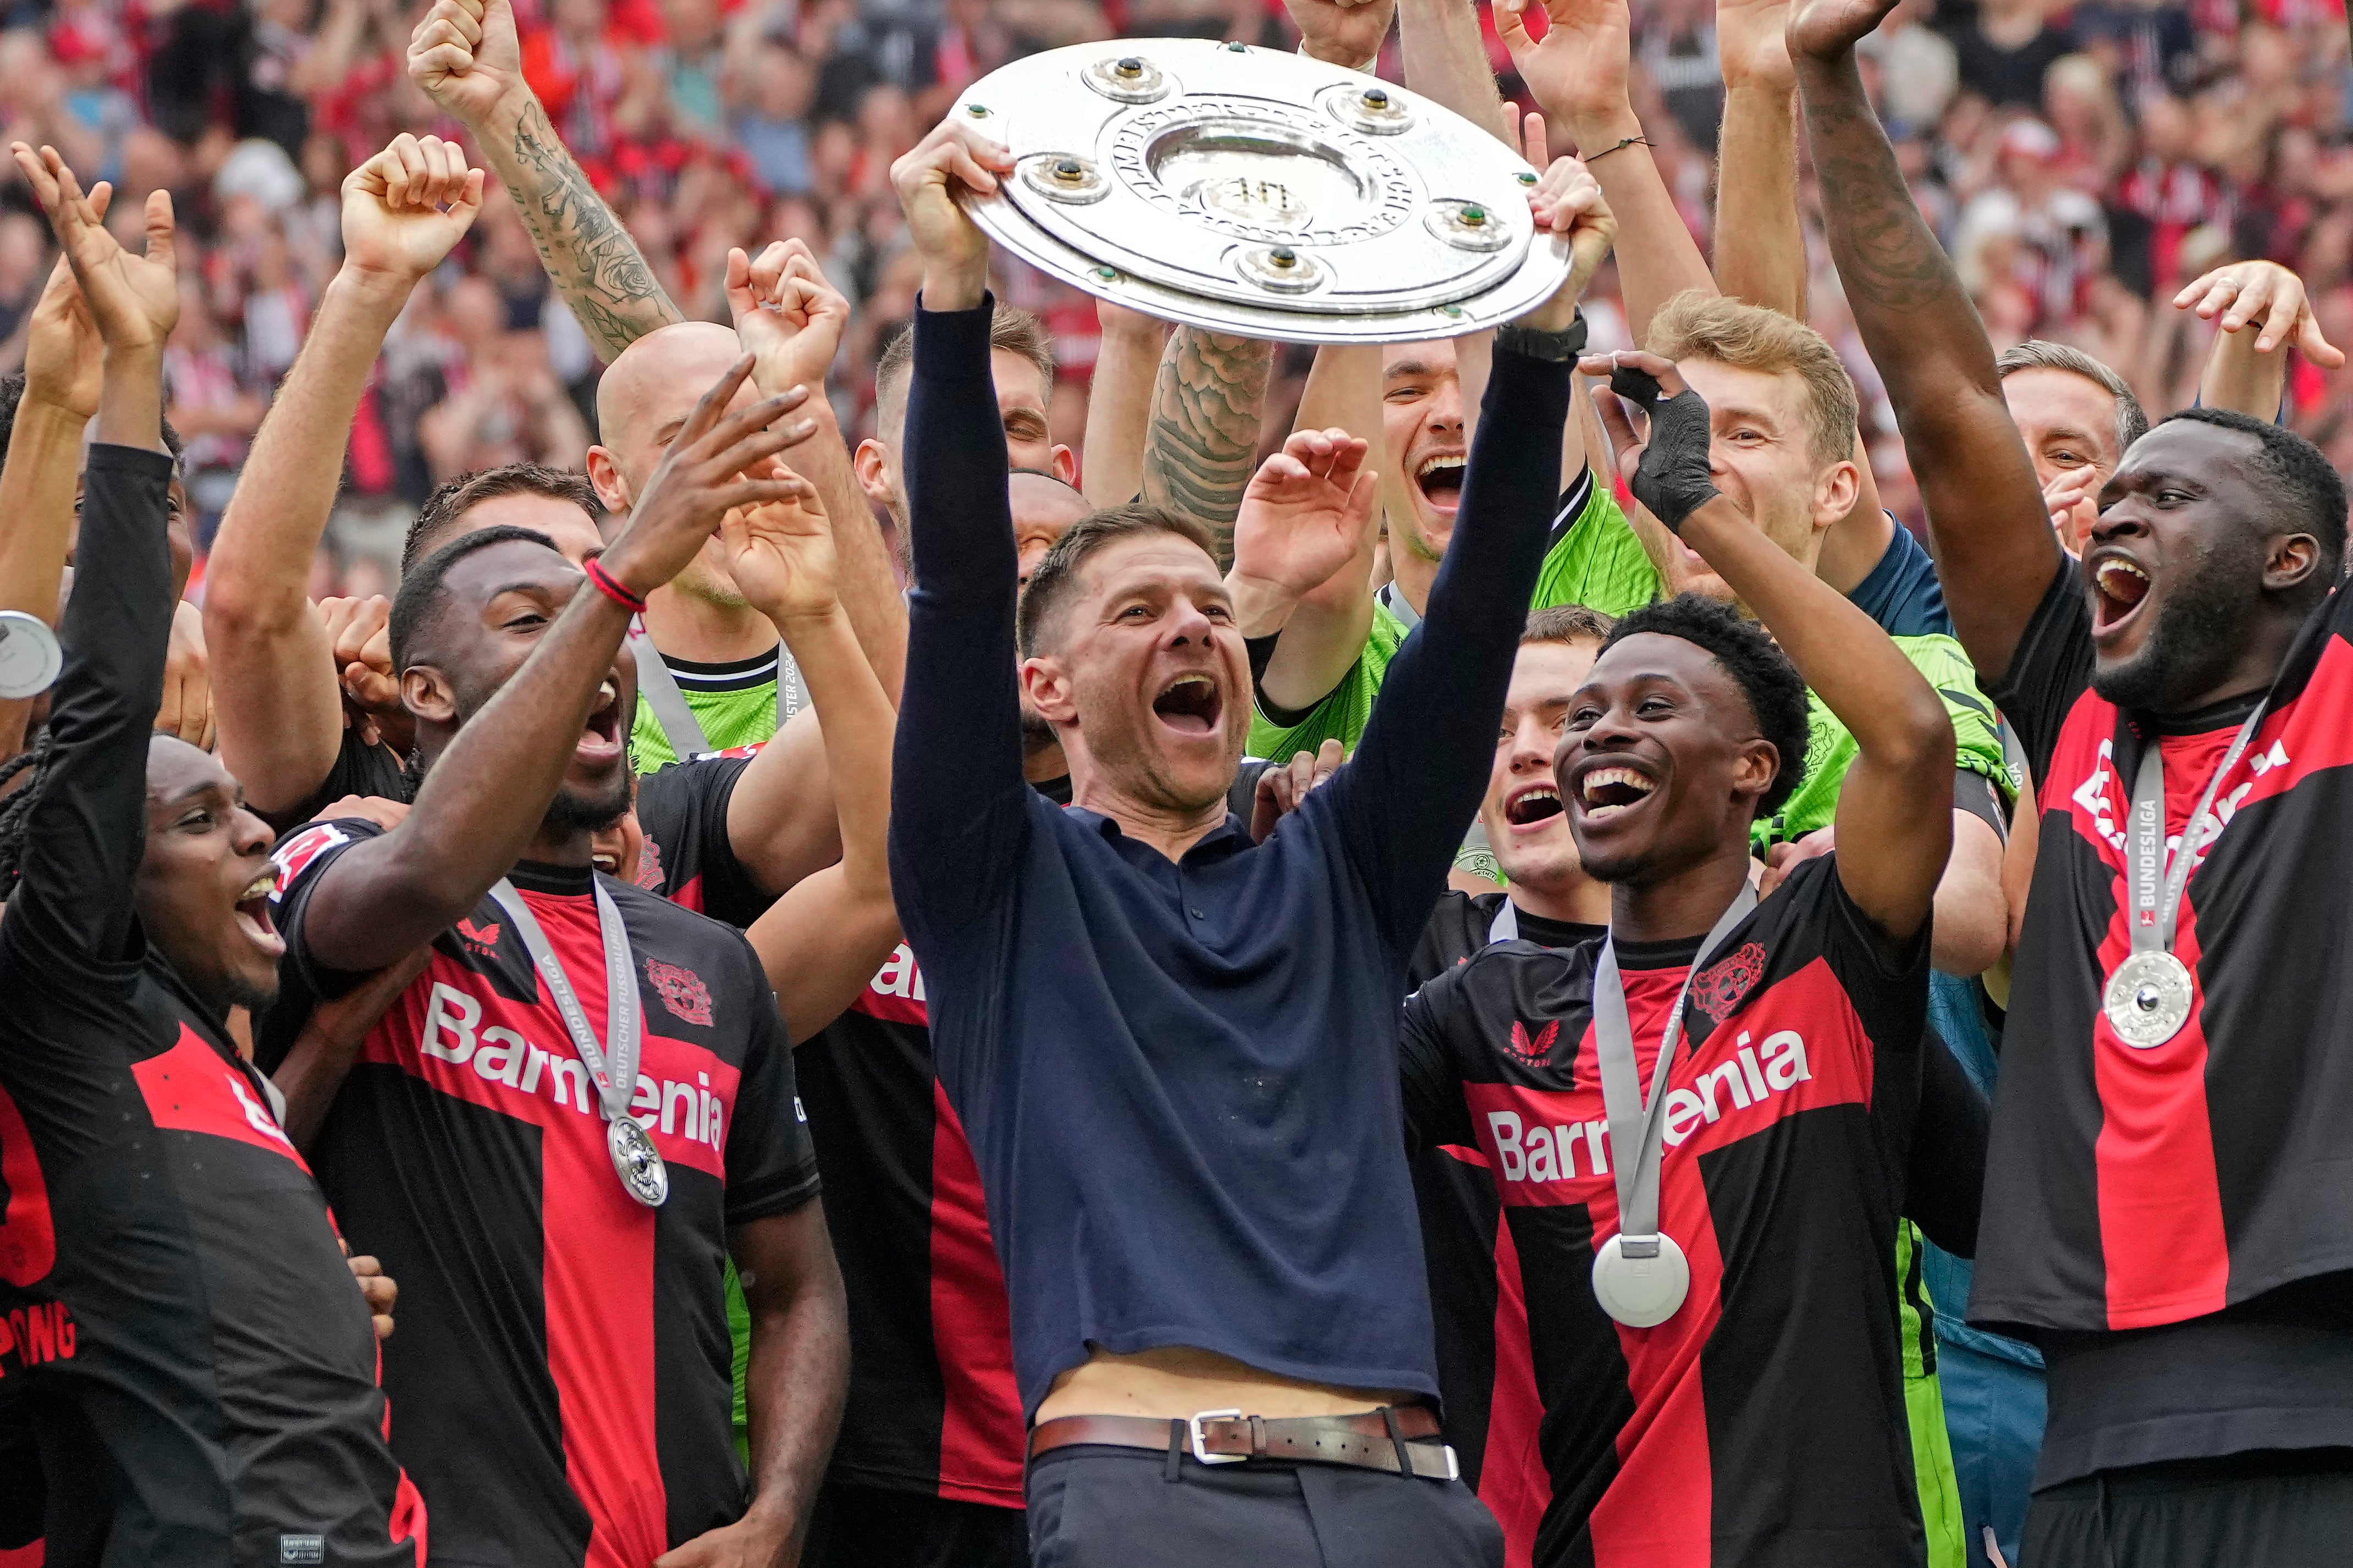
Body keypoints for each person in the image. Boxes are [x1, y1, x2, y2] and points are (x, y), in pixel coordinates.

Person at [886, 100, 1614, 1560]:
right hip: (1151, 1492)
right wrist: (954, 298)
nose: (1196, 631)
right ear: (1044, 688)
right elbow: (961, 586)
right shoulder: (992, 882)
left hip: (1407, 1498)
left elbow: (1470, 631)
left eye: (1213, 608)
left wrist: (1544, 336)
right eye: (1143, 612)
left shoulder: (1336, 869)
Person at [1794, 1, 2353, 1561]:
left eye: (2164, 495)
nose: (2110, 514)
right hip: (2090, 1434)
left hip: (2327, 1412)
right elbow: (1938, 386)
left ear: (2296, 561)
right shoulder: (2069, 705)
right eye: (2108, 495)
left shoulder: (2344, 685)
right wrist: (1828, 86)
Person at [251, 358, 856, 1566]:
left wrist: (777, 1512)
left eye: (598, 625)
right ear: (422, 690)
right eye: (533, 621)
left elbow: (796, 1286)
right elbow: (426, 870)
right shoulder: (343, 859)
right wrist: (620, 573)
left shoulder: (708, 966)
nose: (598, 646)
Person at [1398, 343, 1956, 1564]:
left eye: (1650, 707)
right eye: (1585, 713)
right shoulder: (1473, 1020)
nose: (1592, 733)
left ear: (1755, 769)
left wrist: (1696, 509)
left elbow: (1911, 741)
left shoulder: (1824, 949)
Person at [0, 141, 421, 1568]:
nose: (253, 828)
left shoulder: (207, 948)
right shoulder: (51, 913)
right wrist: (92, 394)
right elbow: (109, 675)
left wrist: (287, 1273)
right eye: (195, 817)